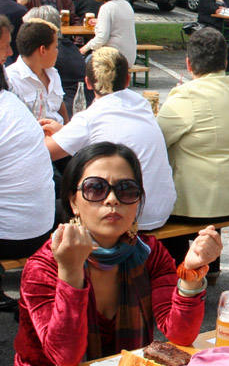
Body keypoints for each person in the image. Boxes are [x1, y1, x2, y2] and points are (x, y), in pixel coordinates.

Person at [3, 143, 220, 366]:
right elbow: (65, 357)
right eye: (95, 189)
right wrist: (69, 273)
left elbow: (179, 334)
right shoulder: (46, 265)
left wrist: (191, 273)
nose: (112, 200)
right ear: (73, 201)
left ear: (137, 201)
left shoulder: (148, 252)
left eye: (126, 190)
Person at [41, 47, 176, 231]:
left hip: (128, 215)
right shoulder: (141, 104)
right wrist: (64, 132)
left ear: (88, 83)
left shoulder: (89, 118)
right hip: (161, 210)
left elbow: (42, 153)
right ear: (127, 80)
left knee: (51, 208)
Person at [157, 27, 229, 262]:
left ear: (189, 64)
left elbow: (157, 142)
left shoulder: (186, 95)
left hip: (201, 206)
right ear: (225, 61)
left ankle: (175, 274)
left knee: (155, 212)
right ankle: (210, 268)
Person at [0, 25, 55, 277]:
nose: (11, 52)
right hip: (40, 227)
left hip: (15, 236)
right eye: (6, 46)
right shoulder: (10, 100)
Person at [7, 19, 68, 123]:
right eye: (55, 47)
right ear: (42, 50)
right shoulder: (11, 80)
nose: (57, 51)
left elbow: (60, 107)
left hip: (59, 135)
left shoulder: (53, 73)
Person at [78, 0, 136, 65]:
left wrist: (86, 47)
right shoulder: (126, 5)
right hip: (129, 57)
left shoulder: (106, 7)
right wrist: (100, 21)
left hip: (112, 57)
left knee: (83, 60)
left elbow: (102, 38)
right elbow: (119, 23)